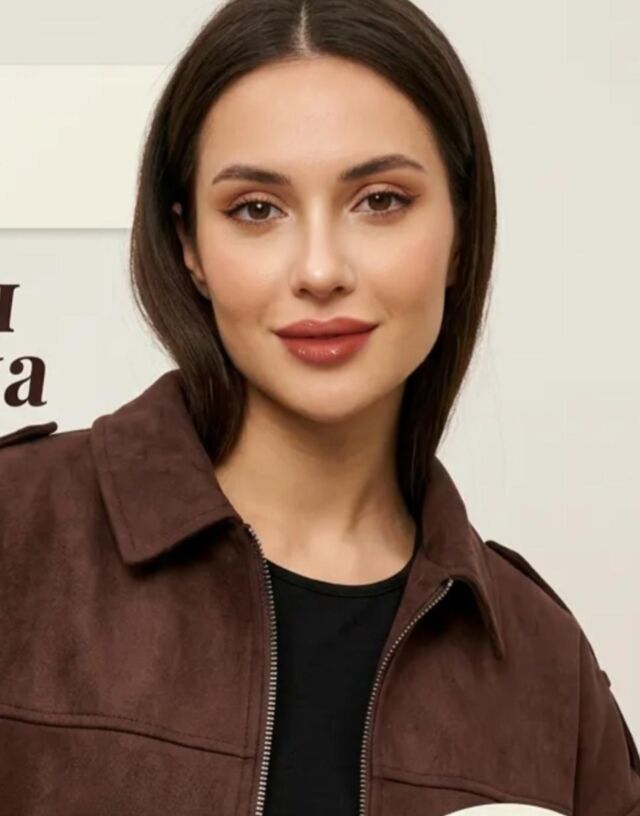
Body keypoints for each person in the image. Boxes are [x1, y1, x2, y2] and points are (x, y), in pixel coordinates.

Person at [1, 0, 638, 814]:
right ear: (190, 247)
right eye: (255, 209)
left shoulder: (548, 670)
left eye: (380, 200)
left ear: (460, 227)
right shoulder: (18, 531)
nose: (320, 270)